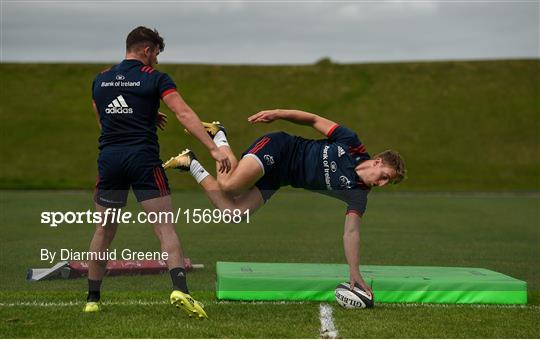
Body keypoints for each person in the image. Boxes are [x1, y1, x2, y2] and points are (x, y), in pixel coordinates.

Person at [163, 109, 406, 297]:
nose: (382, 184)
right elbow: (312, 119)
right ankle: (219, 134)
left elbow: (351, 232)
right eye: (385, 177)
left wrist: (354, 272)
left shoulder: (358, 194)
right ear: (376, 162)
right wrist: (277, 113)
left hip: (281, 177)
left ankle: (190, 163)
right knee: (229, 185)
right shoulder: (350, 143)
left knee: (233, 213)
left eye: (388, 183)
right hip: (280, 148)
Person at [86, 26, 231, 318]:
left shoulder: (100, 79)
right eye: (156, 54)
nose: (157, 61)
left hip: (110, 160)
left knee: (104, 229)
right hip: (142, 159)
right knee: (165, 227)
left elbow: (105, 119)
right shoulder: (156, 78)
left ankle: (92, 299)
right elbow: (184, 113)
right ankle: (181, 290)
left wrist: (145, 113)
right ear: (147, 50)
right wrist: (213, 149)